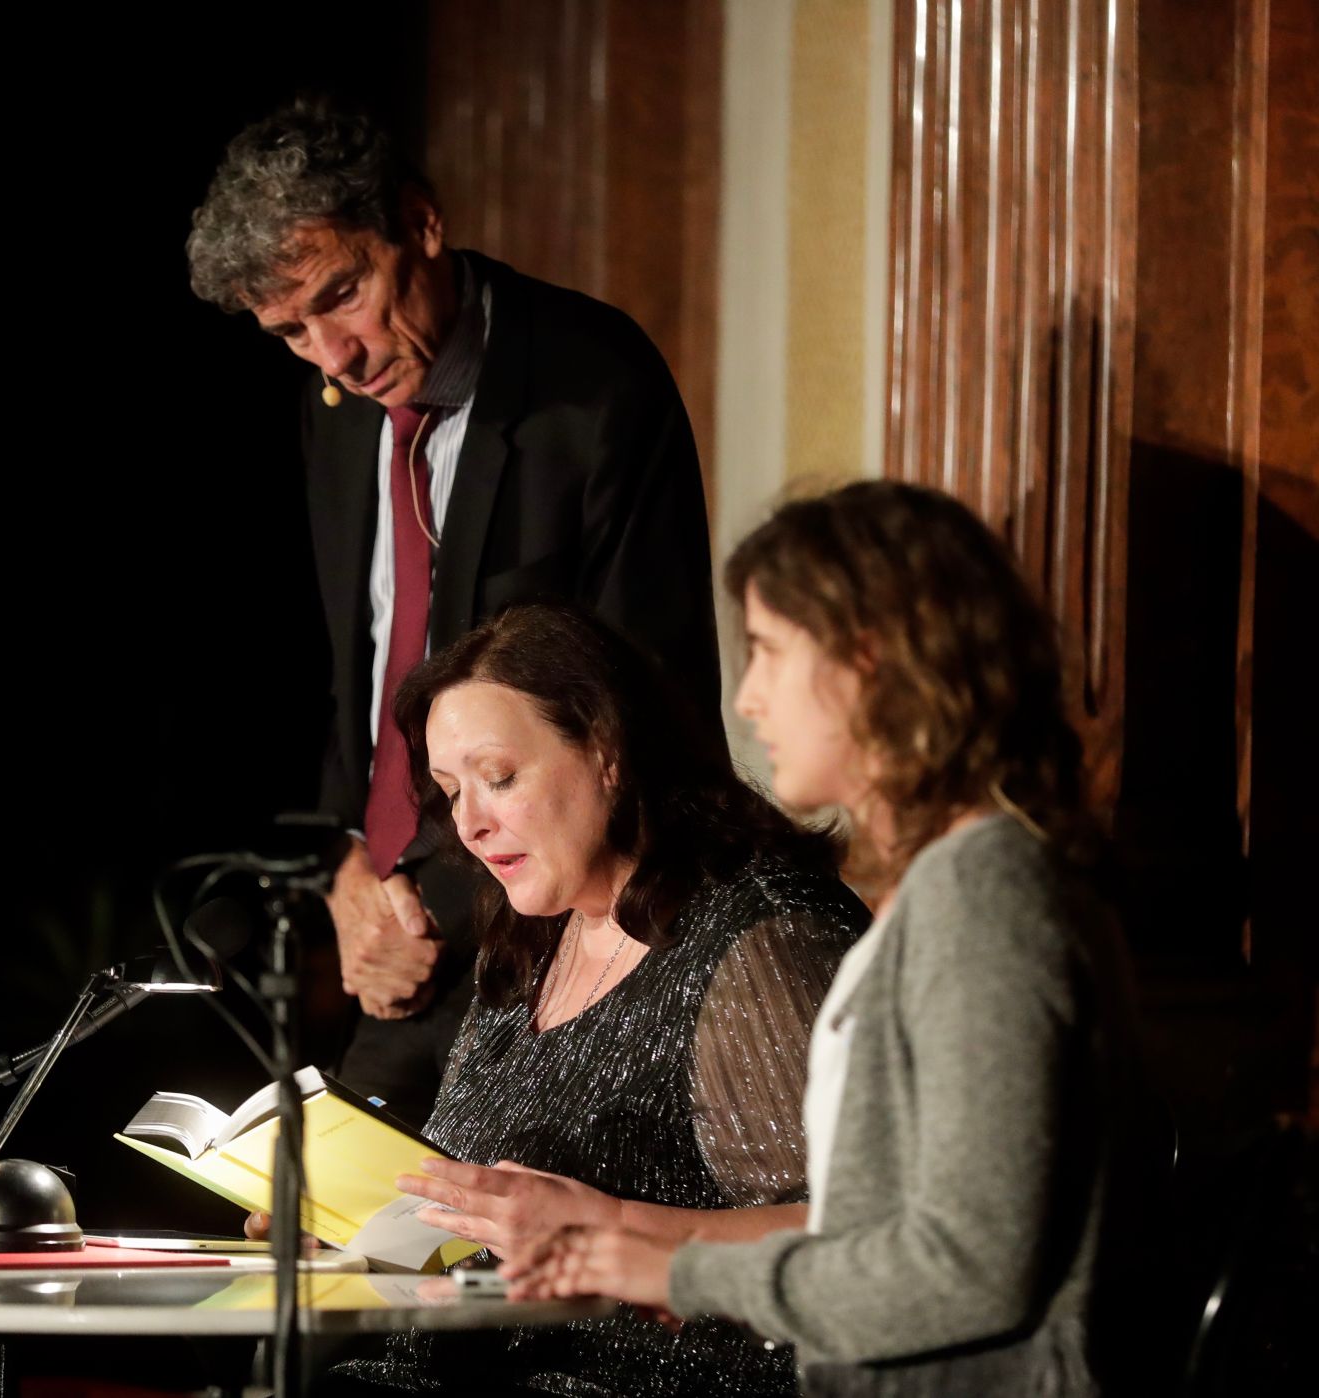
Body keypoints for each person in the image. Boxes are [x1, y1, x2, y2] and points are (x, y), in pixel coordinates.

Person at [504, 483, 1148, 1396]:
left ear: (871, 661)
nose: (751, 698)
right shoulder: (950, 885)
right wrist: (632, 1242)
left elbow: (965, 1271)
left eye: (768, 652)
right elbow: (879, 1224)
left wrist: (681, 1275)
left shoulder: (987, 899)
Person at [187, 100, 722, 1124]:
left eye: (342, 296)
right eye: (290, 332)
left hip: (554, 939)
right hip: (393, 930)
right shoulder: (335, 410)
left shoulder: (595, 388)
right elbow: (369, 674)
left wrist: (418, 908)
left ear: (420, 223)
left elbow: (640, 715)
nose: (332, 355)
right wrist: (350, 870)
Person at [307, 603, 869, 1397]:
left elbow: (864, 1240)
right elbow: (484, 1225)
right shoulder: (526, 942)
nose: (468, 823)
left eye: (498, 778)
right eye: (447, 791)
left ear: (606, 751)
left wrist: (613, 1229)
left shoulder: (761, 937)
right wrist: (351, 1229)